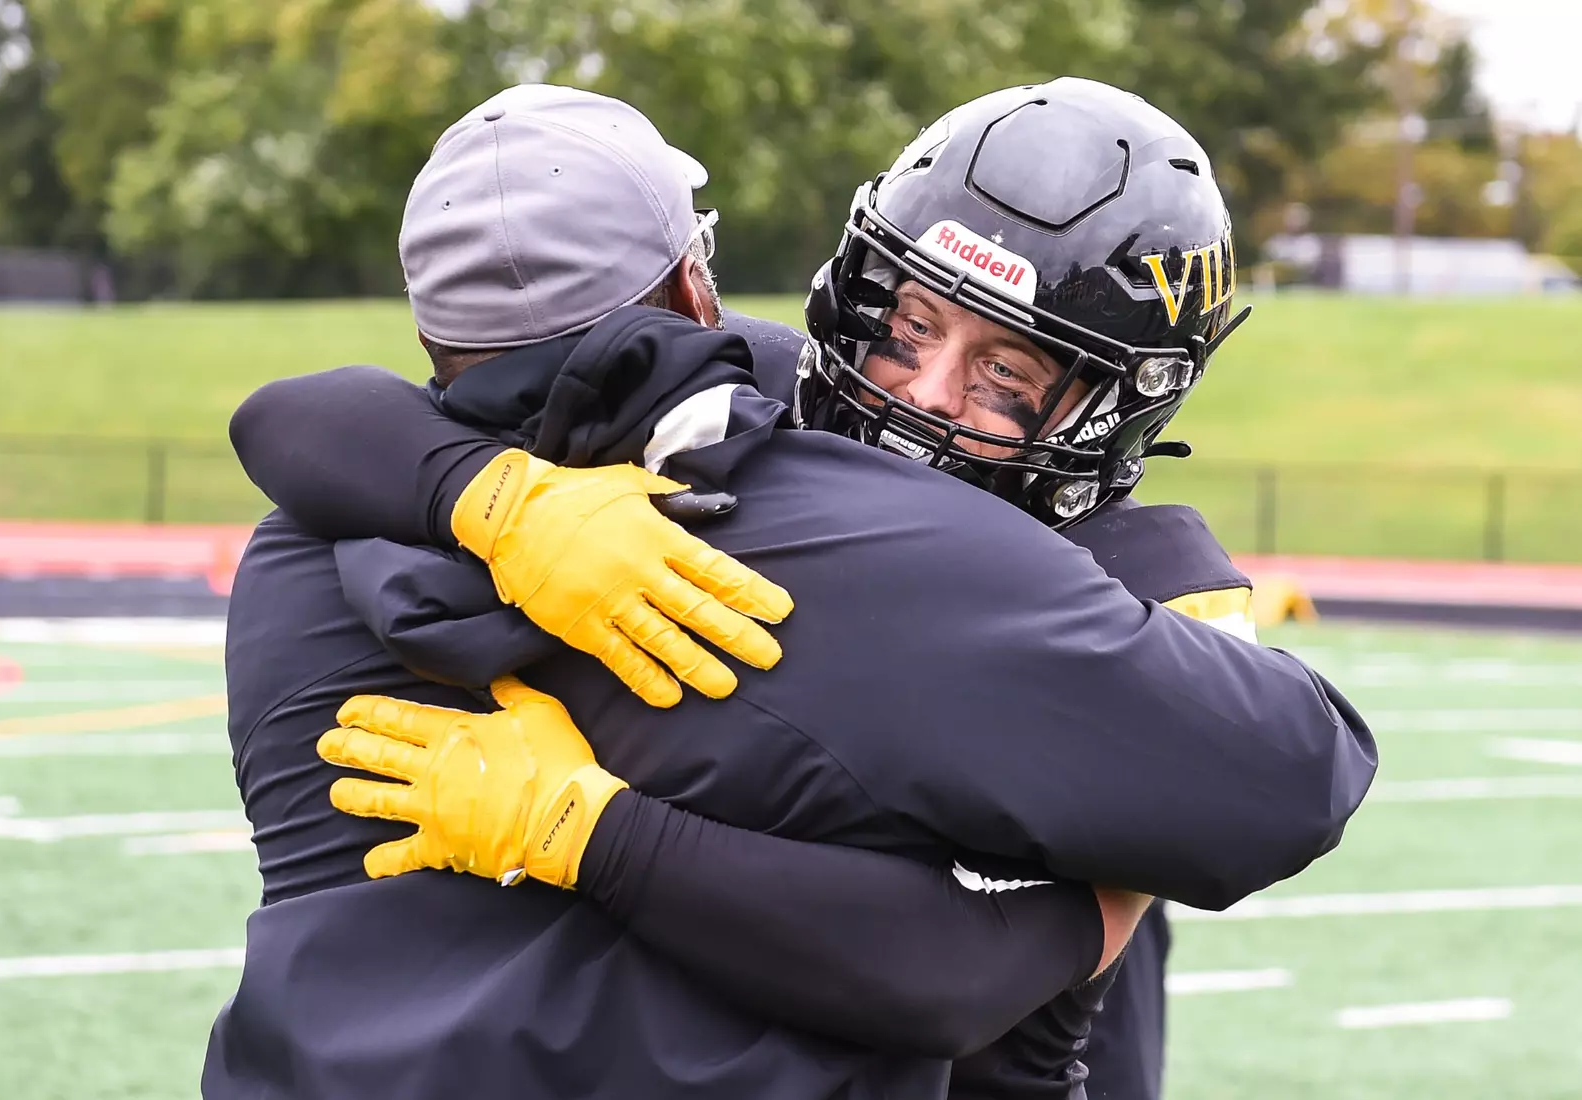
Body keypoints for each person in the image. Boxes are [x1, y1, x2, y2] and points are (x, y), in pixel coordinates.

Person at [208, 82, 1375, 1100]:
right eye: (908, 323)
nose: (919, 392)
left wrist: (484, 489)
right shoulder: (872, 555)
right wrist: (1098, 904)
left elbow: (285, 411)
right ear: (693, 282)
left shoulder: (299, 543)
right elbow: (1292, 765)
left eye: (1004, 371)